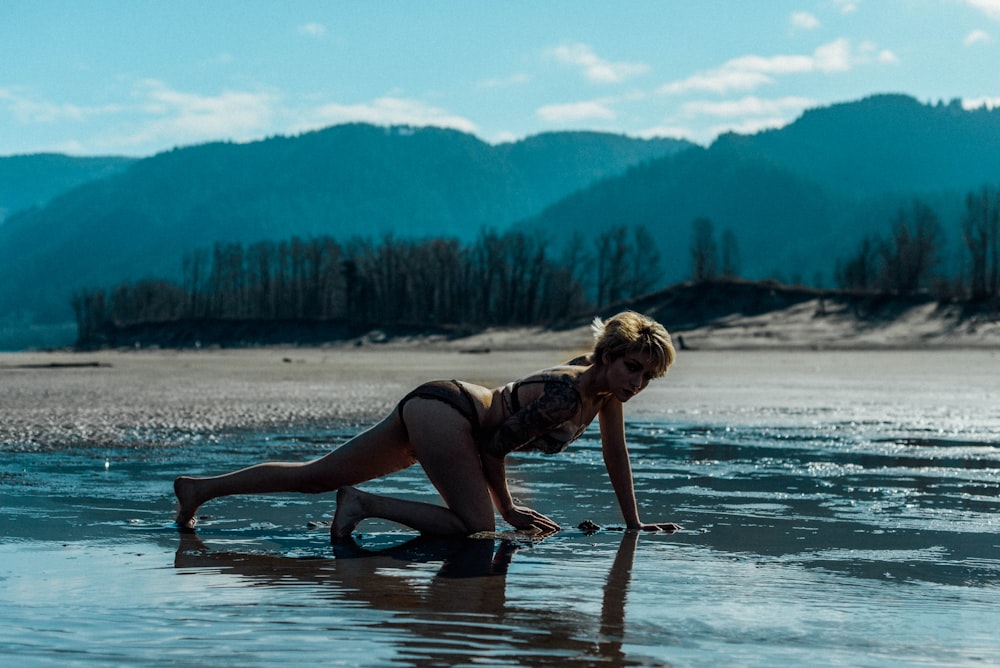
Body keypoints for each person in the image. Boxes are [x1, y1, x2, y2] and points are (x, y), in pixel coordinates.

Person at [174, 311, 681, 537]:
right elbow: (493, 447)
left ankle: (200, 489)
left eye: (648, 376)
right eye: (632, 367)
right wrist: (506, 509)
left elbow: (616, 454)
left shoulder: (605, 392)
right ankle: (362, 504)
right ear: (608, 355)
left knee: (316, 474)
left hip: (440, 405)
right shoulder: (566, 396)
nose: (637, 382)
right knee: (475, 526)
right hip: (451, 414)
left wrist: (634, 522)